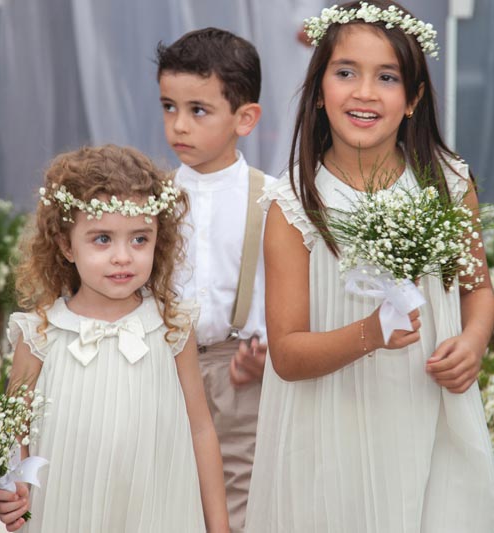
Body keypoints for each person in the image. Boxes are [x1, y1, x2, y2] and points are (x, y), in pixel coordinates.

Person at [245, 1, 494, 531]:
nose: (364, 92)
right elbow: (288, 354)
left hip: (428, 411)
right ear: (319, 90)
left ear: (413, 99)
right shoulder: (293, 204)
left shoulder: (448, 187)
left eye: (387, 77)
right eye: (345, 73)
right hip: (331, 428)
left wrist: (473, 342)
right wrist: (370, 332)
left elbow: (477, 292)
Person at [0, 145, 229, 533]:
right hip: (66, 506)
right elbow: (15, 433)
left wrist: (219, 525)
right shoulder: (39, 333)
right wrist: (10, 490)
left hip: (155, 504)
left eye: (139, 239)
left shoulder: (172, 326)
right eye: (102, 239)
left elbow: (200, 428)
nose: (123, 257)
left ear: (159, 241)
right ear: (67, 245)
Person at [155, 27, 275, 533]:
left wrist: (264, 353)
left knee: (240, 498)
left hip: (238, 373)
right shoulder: (151, 200)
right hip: (163, 373)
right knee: (168, 494)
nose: (178, 125)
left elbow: (284, 292)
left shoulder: (272, 200)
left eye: (197, 110)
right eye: (168, 107)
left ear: (244, 118)